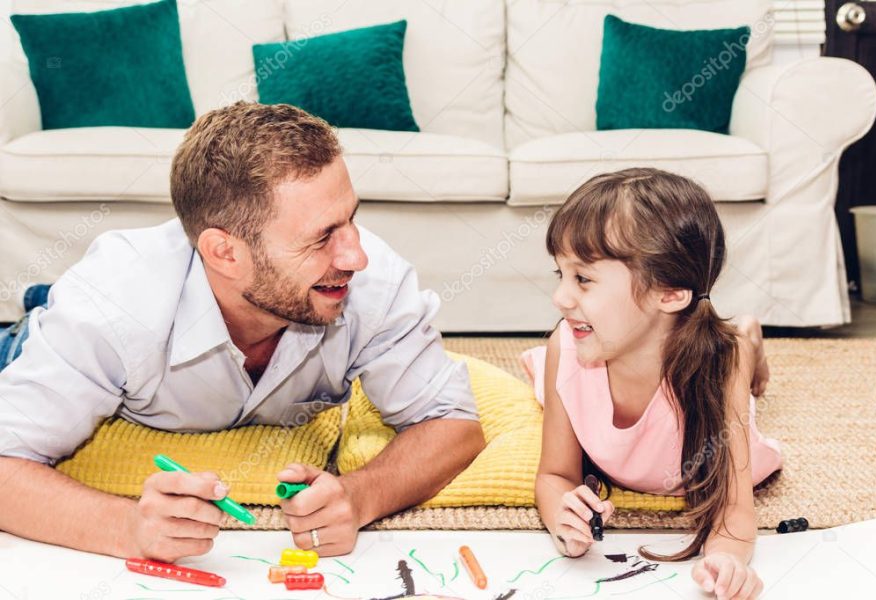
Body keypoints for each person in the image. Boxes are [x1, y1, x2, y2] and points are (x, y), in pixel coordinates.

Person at [0, 102, 485, 562]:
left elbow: (453, 424)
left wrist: (360, 496)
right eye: (320, 237)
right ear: (224, 253)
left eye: (351, 218)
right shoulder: (111, 306)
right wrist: (127, 528)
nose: (354, 256)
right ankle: (38, 305)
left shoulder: (373, 281)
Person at [522, 168, 782, 600]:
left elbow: (734, 507)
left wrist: (726, 558)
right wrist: (561, 518)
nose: (560, 298)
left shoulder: (721, 363)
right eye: (560, 275)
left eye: (583, 279)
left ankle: (749, 336)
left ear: (670, 293)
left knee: (734, 347)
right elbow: (554, 474)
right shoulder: (565, 347)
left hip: (712, 357)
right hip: (601, 356)